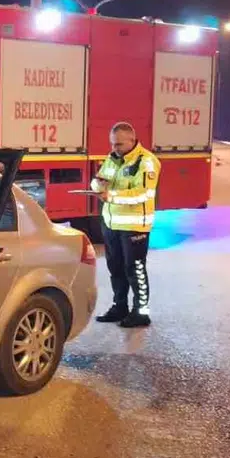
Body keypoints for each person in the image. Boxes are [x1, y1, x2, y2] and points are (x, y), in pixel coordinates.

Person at [90, 121, 161, 329]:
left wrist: (111, 196)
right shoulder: (113, 159)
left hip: (134, 227)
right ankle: (119, 307)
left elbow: (144, 194)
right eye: (113, 144)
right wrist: (98, 185)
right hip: (112, 224)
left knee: (135, 269)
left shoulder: (147, 162)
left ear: (132, 140)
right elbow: (97, 182)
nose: (115, 148)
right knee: (116, 269)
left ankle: (141, 313)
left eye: (119, 144)